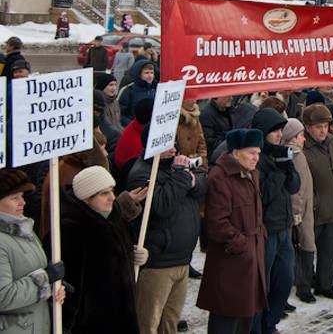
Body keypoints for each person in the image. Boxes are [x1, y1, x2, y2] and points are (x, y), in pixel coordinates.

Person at [128, 138, 208, 334]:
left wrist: (190, 179)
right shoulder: (141, 173)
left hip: (182, 259)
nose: (173, 150)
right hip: (158, 263)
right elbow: (161, 205)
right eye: (165, 146)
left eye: (174, 144)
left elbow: (203, 183)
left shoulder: (175, 167)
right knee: (149, 323)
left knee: (170, 321)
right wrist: (182, 177)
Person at [57, 166, 144, 332]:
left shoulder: (114, 217)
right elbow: (71, 286)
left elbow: (120, 260)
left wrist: (138, 257)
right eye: (104, 193)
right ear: (86, 198)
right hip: (95, 323)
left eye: (112, 191)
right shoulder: (72, 229)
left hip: (123, 316)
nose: (112, 197)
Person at [197, 129, 267, 334]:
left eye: (258, 152)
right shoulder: (221, 177)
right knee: (227, 318)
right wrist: (242, 245)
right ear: (236, 153)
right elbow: (217, 223)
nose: (257, 158)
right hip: (232, 261)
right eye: (252, 152)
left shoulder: (251, 172)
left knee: (245, 316)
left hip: (251, 258)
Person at [248, 108, 301, 334]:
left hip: (283, 228)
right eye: (275, 131)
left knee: (285, 281)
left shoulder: (280, 154)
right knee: (263, 285)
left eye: (281, 130)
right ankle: (256, 328)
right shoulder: (255, 159)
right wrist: (279, 171)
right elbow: (264, 195)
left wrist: (288, 168)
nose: (280, 135)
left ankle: (270, 323)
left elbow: (294, 187)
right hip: (265, 230)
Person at [0, 168, 66, 334]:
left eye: (22, 196)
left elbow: (31, 273)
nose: (22, 202)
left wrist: (53, 286)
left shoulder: (24, 229)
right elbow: (3, 296)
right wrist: (45, 278)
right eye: (14, 198)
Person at [302, 104, 333, 299]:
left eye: (326, 126)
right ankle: (304, 287)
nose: (323, 131)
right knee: (307, 252)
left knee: (329, 251)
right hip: (313, 211)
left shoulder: (332, 142)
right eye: (318, 127)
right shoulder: (303, 148)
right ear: (308, 127)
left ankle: (325, 285)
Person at [282, 119, 316, 304]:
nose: (304, 139)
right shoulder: (297, 155)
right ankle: (304, 288)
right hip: (301, 212)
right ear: (293, 137)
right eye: (301, 135)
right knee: (304, 247)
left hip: (299, 209)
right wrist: (297, 212)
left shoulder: (289, 153)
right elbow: (298, 187)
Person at [119, 59, 158, 126]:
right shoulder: (128, 91)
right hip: (135, 129)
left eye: (152, 73)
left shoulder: (156, 89)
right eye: (146, 73)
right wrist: (132, 125)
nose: (150, 76)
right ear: (139, 74)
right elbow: (120, 114)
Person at [200, 97, 234, 161]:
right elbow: (209, 142)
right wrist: (230, 144)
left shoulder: (230, 111)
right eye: (228, 95)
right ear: (217, 96)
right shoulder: (206, 115)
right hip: (216, 158)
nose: (231, 98)